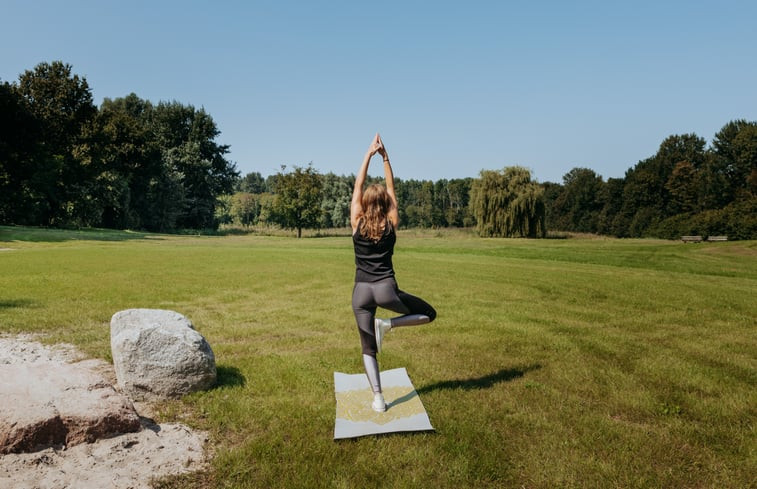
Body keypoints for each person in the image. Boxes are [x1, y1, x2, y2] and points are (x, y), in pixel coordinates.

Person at [350, 133, 437, 412]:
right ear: (386, 204)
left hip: (361, 292)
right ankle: (388, 325)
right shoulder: (391, 224)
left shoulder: (356, 222)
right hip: (387, 290)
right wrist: (385, 156)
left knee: (368, 348)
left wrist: (367, 154)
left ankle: (378, 398)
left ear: (364, 203)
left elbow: (358, 184)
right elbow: (390, 185)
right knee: (428, 314)